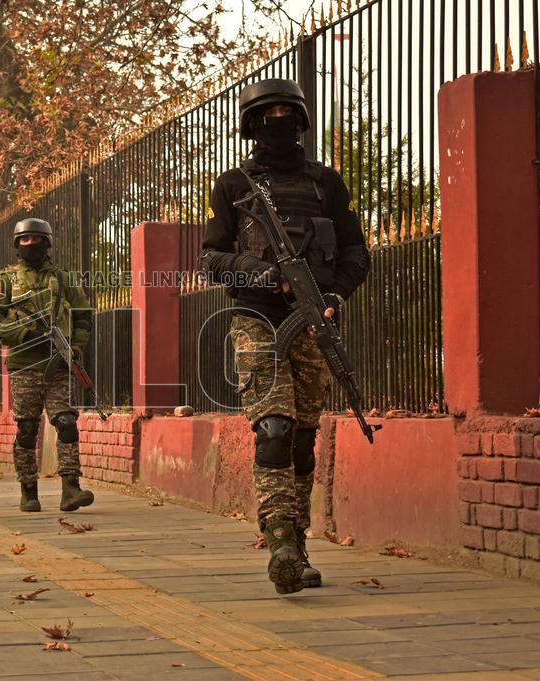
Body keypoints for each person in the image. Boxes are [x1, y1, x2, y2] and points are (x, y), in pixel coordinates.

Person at [198, 79, 370, 594]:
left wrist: (335, 295)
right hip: (257, 317)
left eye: (286, 112)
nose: (278, 120)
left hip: (314, 320)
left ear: (300, 120)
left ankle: (299, 544)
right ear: (253, 124)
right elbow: (211, 259)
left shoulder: (325, 183)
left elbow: (357, 252)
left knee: (302, 439)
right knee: (273, 427)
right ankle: (279, 542)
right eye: (267, 113)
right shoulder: (235, 185)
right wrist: (257, 271)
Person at [0, 218, 95, 513]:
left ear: (47, 243)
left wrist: (76, 346)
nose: (30, 244)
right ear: (17, 245)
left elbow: (84, 316)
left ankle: (71, 487)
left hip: (59, 364)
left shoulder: (64, 278)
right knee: (28, 429)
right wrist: (24, 333)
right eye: (24, 240)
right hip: (24, 364)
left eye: (35, 239)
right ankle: (28, 489)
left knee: (67, 423)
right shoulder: (6, 279)